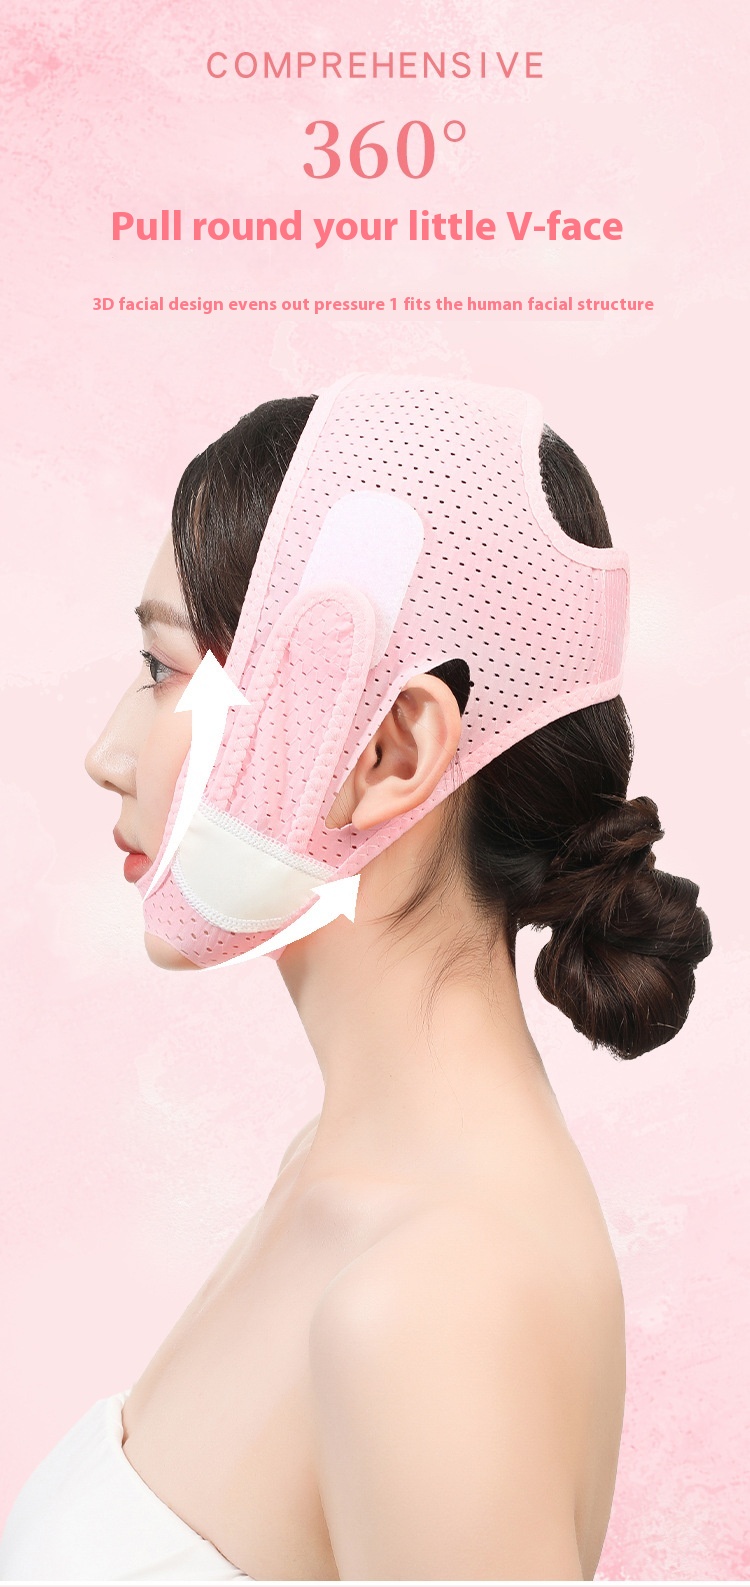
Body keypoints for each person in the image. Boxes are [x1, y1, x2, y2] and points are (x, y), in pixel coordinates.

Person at [0, 378, 712, 1583]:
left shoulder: (434, 1301)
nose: (107, 754)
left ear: (388, 751)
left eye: (165, 668)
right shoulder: (339, 1177)